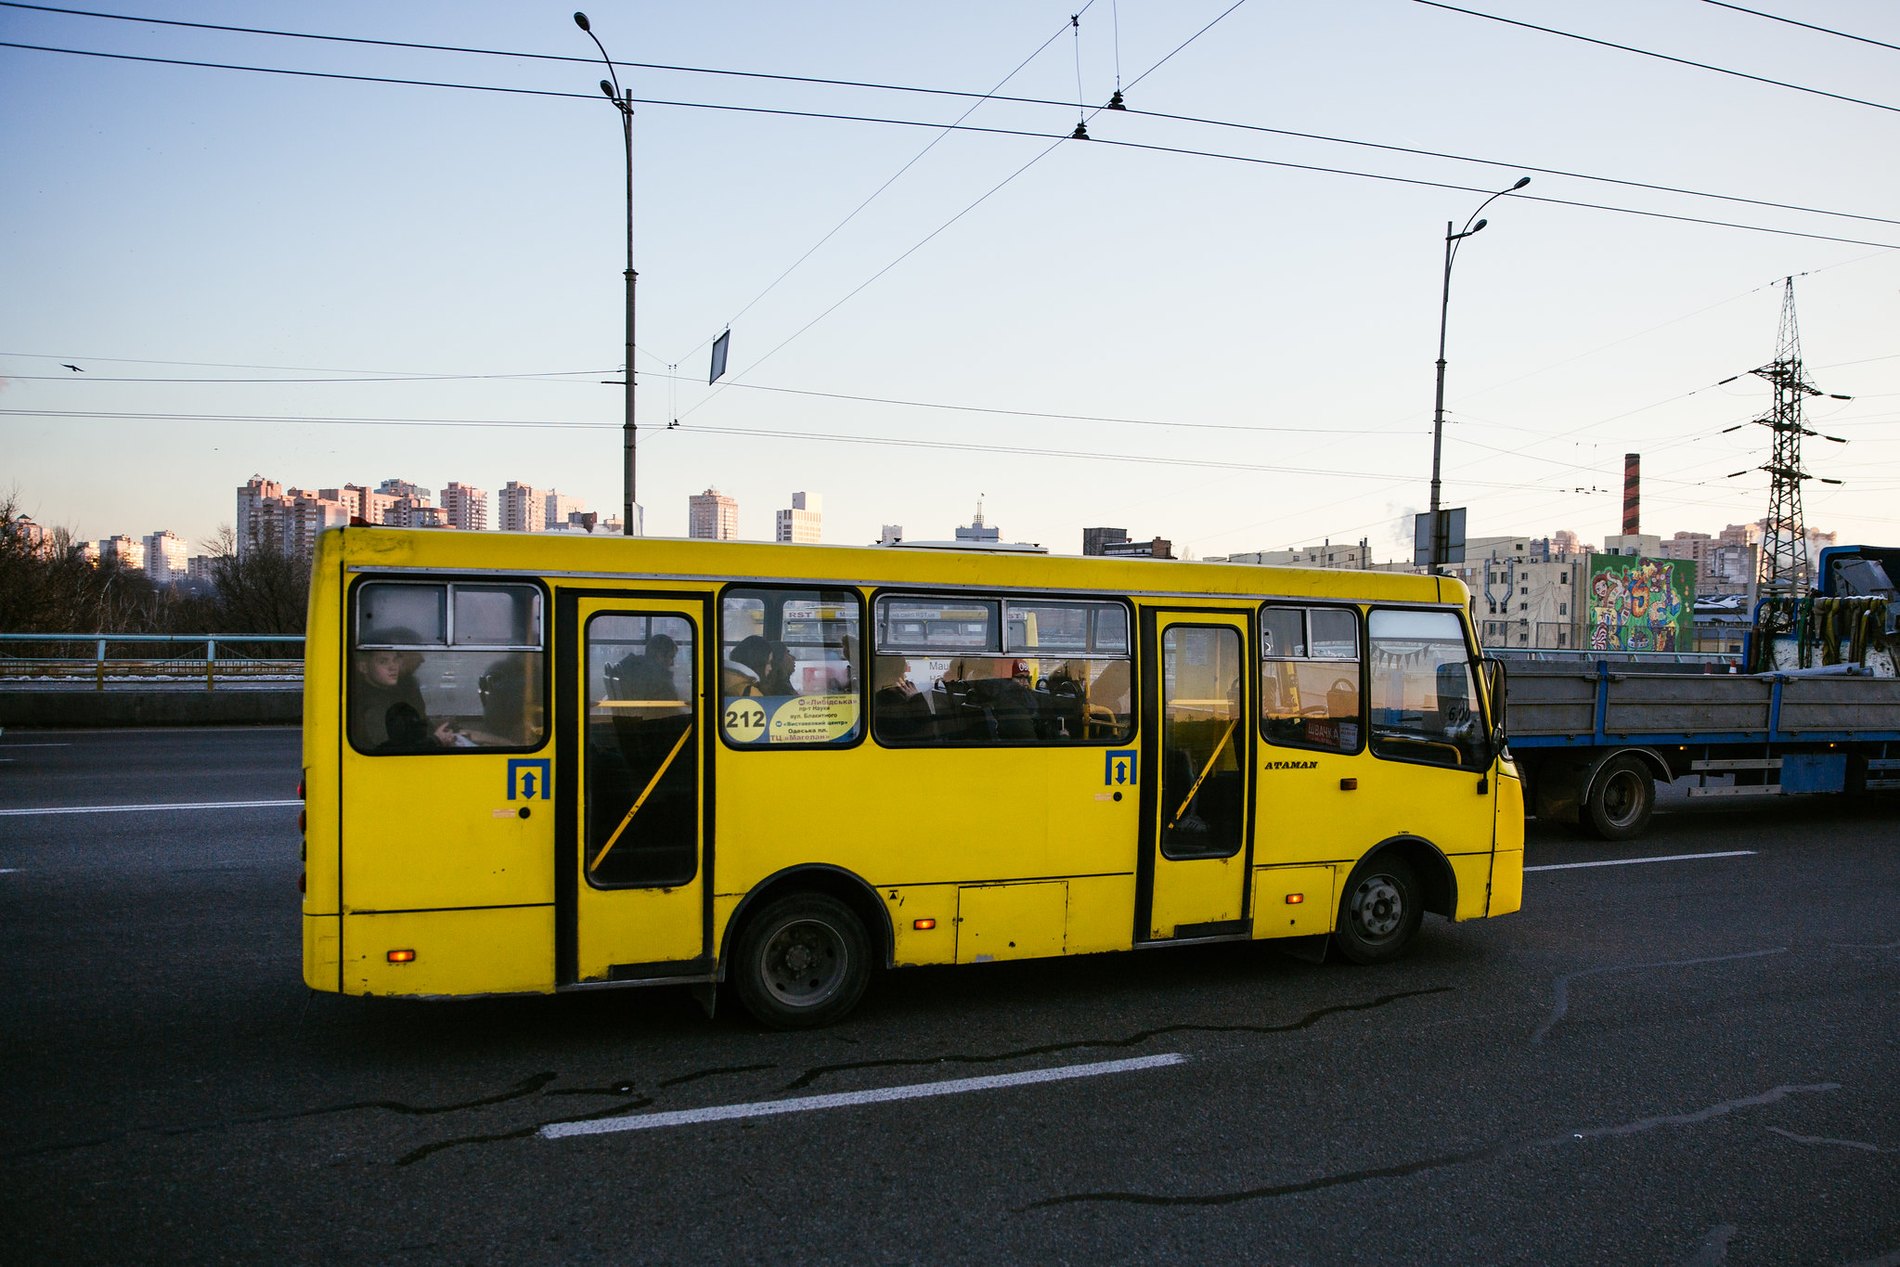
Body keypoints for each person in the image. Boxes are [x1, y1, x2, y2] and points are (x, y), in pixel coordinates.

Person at [350, 633, 458, 752]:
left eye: (395, 660)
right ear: (363, 667)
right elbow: (387, 750)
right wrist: (436, 740)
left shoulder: (390, 693)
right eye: (383, 661)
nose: (393, 667)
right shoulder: (370, 704)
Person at [613, 632, 679, 703]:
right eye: (671, 657)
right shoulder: (658, 680)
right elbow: (672, 706)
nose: (672, 664)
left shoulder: (631, 666)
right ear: (659, 655)